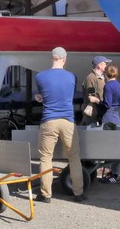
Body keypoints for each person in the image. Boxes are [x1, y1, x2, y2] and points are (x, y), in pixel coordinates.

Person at [34, 47, 85, 203]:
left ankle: (46, 195)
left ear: (52, 58)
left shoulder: (40, 77)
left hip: (49, 120)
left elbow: (46, 95)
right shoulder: (72, 77)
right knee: (74, 157)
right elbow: (66, 95)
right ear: (64, 59)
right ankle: (78, 193)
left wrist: (40, 98)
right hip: (68, 121)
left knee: (46, 158)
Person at [99, 62, 120, 184]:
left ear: (105, 74)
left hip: (108, 116)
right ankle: (114, 172)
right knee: (115, 145)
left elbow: (107, 104)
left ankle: (115, 175)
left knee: (109, 146)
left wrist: (97, 101)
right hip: (116, 115)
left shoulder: (108, 86)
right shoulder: (118, 85)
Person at [80, 55, 109, 126]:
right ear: (99, 66)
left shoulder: (103, 77)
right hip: (93, 114)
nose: (107, 65)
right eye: (105, 63)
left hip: (100, 112)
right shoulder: (90, 78)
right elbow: (90, 97)